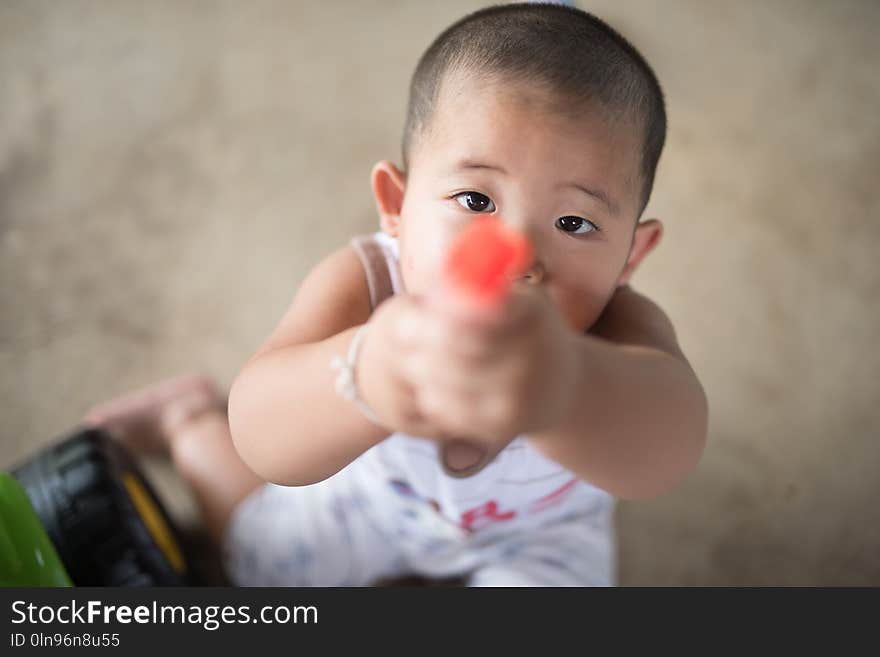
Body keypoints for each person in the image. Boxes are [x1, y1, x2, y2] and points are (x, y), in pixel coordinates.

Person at [88, 3, 708, 586]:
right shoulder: (369, 281)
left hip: (539, 535)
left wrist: (572, 384)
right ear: (396, 205)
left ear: (631, 255)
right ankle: (187, 420)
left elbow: (667, 452)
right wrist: (368, 371)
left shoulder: (617, 323)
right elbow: (262, 432)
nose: (518, 257)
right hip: (367, 504)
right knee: (258, 564)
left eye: (574, 223)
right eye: (476, 200)